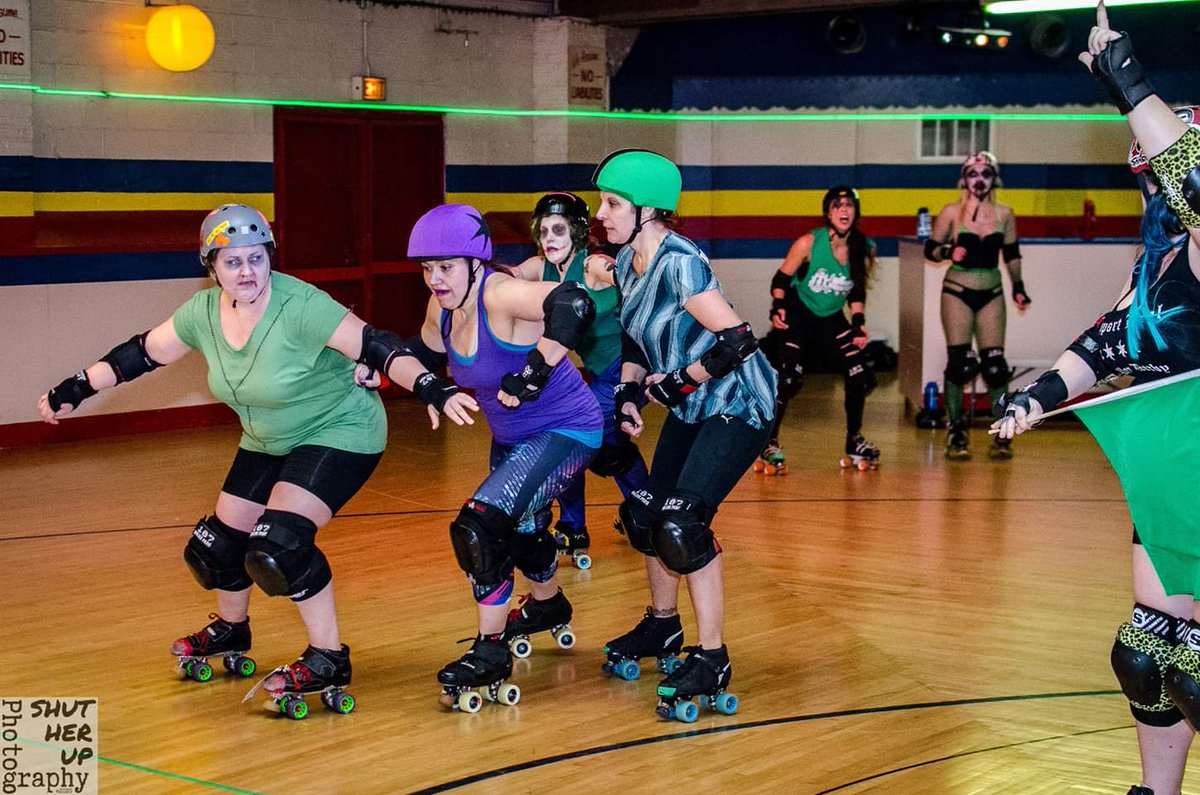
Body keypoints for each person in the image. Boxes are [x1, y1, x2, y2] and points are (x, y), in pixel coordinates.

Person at [36, 203, 411, 718]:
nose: (247, 272)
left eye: (256, 259)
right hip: (266, 438)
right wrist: (75, 387)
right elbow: (141, 353)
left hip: (338, 430)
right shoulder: (203, 314)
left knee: (279, 545)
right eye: (232, 262)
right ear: (210, 265)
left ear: (270, 258)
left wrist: (429, 384)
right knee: (215, 550)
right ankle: (234, 630)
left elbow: (376, 345)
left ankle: (329, 657)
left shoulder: (301, 304)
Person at [994, 7, 1200, 792]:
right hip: (1170, 477)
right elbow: (1106, 343)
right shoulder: (1153, 261)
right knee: (1149, 656)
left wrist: (1123, 72)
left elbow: (1199, 182)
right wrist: (1038, 396)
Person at [585, 149, 777, 721]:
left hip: (741, 403)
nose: (603, 212)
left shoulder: (679, 262)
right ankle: (664, 628)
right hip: (695, 407)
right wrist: (628, 394)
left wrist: (678, 383)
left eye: (614, 203)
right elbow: (636, 343)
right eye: (603, 201)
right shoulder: (628, 263)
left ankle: (712, 656)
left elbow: (739, 340)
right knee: (645, 517)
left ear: (649, 209)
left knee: (682, 523)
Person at [394, 203, 603, 712]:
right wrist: (371, 369)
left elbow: (574, 303)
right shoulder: (440, 310)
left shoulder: (501, 294)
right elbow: (421, 353)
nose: (435, 279)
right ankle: (549, 604)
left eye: (446, 267)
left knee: (479, 526)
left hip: (567, 430)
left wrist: (534, 369)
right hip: (512, 438)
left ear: (474, 263)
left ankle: (489, 652)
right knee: (523, 530)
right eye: (427, 268)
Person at [511, 192, 651, 562]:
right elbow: (502, 279)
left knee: (580, 441)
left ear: (576, 232)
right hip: (598, 372)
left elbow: (625, 274)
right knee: (601, 447)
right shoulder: (540, 267)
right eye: (543, 232)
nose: (550, 240)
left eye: (558, 230)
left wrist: (622, 271)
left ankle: (586, 524)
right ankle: (636, 510)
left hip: (628, 368)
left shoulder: (591, 266)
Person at [759, 186, 880, 474]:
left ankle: (854, 440)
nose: (843, 210)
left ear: (856, 212)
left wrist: (859, 324)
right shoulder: (808, 243)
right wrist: (777, 308)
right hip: (798, 314)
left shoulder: (863, 246)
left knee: (859, 375)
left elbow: (857, 290)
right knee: (789, 380)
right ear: (828, 212)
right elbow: (781, 279)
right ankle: (768, 441)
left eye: (849, 205)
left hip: (831, 319)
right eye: (837, 205)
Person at [925, 150, 1031, 460]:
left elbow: (1011, 254)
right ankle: (956, 430)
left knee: (995, 367)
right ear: (964, 179)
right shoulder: (950, 213)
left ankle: (1002, 429)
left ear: (994, 178)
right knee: (960, 365)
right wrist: (947, 252)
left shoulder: (1005, 214)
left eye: (985, 174)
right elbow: (929, 249)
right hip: (957, 290)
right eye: (973, 174)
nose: (979, 180)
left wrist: (1019, 288)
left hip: (992, 291)